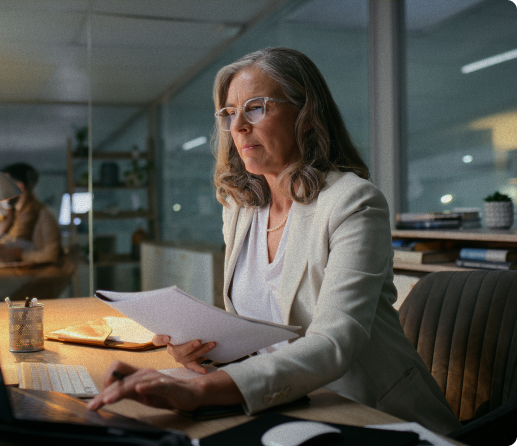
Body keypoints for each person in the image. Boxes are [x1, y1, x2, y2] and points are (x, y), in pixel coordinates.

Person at [87, 48, 462, 434]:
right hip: (288, 409)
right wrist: (206, 351)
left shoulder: (353, 203)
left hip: (372, 414)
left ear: (307, 116)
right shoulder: (240, 208)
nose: (238, 127)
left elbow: (334, 342)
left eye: (256, 108)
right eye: (230, 114)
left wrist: (203, 389)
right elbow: (260, 335)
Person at [0, 163, 61, 265]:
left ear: (20, 186)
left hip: (37, 277)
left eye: (5, 185)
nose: (1, 191)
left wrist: (21, 255)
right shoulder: (16, 215)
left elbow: (52, 255)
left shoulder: (43, 215)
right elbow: (11, 245)